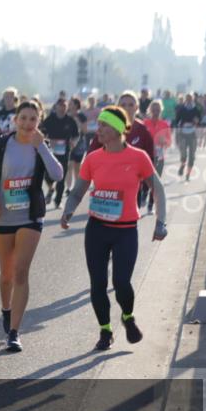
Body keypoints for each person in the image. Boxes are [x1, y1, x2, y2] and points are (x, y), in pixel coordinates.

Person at [60, 106, 168, 350]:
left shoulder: (138, 157)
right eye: (98, 124)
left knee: (121, 283)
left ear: (119, 129)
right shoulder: (94, 158)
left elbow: (158, 189)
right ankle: (105, 331)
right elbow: (78, 190)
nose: (98, 130)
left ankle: (128, 317)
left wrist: (161, 221)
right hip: (97, 229)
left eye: (104, 125)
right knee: (97, 284)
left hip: (125, 230)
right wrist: (68, 209)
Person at [0, 102, 64, 351]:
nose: (28, 124)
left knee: (20, 272)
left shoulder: (41, 146)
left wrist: (42, 148)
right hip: (2, 215)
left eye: (33, 119)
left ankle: (15, 332)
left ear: (39, 122)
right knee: (6, 275)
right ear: (15, 120)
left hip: (30, 216)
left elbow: (57, 175)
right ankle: (6, 309)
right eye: (24, 118)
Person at [40, 95, 79, 209]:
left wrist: (73, 143)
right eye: (60, 106)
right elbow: (41, 133)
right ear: (55, 107)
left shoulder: (70, 120)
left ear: (66, 108)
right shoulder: (50, 119)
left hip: (64, 152)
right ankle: (51, 188)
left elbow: (76, 136)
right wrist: (47, 140)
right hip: (50, 152)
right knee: (47, 174)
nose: (62, 108)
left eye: (64, 106)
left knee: (61, 176)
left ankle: (57, 201)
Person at [145, 100, 171, 214]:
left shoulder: (164, 124)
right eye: (153, 110)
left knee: (155, 182)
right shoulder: (144, 123)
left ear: (161, 111)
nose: (155, 112)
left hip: (159, 156)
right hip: (146, 156)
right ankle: (143, 193)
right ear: (150, 111)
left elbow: (169, 142)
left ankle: (150, 204)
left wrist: (164, 141)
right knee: (144, 180)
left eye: (158, 110)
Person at [173, 93, 202, 182]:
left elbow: (200, 121)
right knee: (183, 153)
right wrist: (180, 126)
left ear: (193, 99)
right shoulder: (181, 109)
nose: (189, 100)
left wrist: (197, 122)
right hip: (183, 133)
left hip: (193, 134)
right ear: (185, 99)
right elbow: (176, 121)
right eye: (187, 98)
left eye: (190, 98)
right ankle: (182, 165)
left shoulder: (196, 109)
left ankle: (188, 174)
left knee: (192, 155)